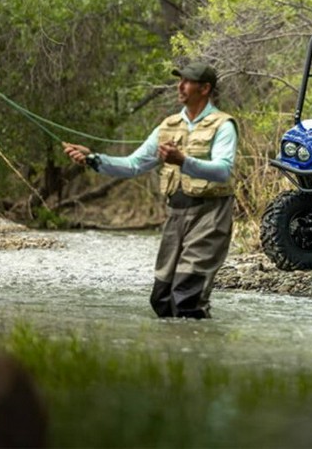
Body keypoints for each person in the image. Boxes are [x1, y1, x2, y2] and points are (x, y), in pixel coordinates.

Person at [63, 62, 238, 319]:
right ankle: (173, 355)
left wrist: (184, 161)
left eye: (186, 81)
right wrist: (93, 159)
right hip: (175, 215)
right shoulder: (167, 126)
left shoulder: (223, 125)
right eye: (179, 80)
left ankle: (199, 355)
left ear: (205, 88)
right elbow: (133, 165)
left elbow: (223, 170)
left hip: (210, 216)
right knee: (162, 300)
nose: (180, 86)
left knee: (187, 299)